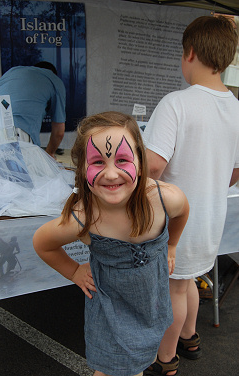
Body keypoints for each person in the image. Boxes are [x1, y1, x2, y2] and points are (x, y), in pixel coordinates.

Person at [33, 111, 189, 376]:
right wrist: (73, 271)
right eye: (97, 162)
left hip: (150, 303)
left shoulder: (164, 199)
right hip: (109, 311)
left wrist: (171, 246)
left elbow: (183, 211)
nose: (111, 173)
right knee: (109, 368)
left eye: (122, 160)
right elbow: (42, 243)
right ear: (82, 168)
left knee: (139, 362)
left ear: (140, 162)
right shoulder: (83, 217)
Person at [142, 15, 239, 376]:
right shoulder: (236, 107)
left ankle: (165, 360)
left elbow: (152, 167)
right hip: (210, 217)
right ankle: (190, 337)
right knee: (191, 279)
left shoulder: (176, 103)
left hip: (177, 221)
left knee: (174, 289)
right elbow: (235, 171)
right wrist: (211, 182)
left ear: (190, 53)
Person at [0, 61, 66, 158]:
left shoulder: (13, 71)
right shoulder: (55, 80)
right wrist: (49, 154)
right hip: (15, 133)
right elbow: (59, 131)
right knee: (22, 171)